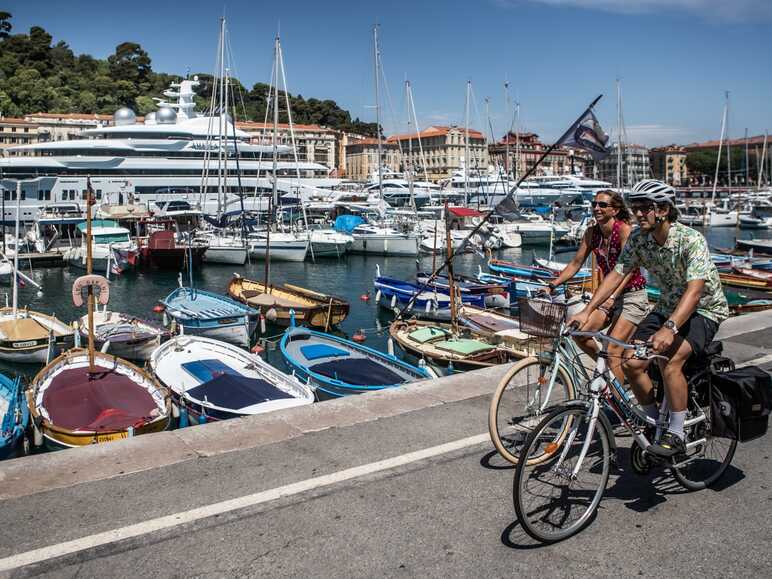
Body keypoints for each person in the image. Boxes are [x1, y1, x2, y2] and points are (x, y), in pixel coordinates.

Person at [568, 179, 729, 458]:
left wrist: (670, 327)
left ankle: (676, 434)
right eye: (635, 207)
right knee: (632, 363)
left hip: (705, 309)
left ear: (664, 210)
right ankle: (654, 424)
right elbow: (616, 274)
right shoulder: (640, 240)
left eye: (645, 207)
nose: (638, 213)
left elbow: (695, 291)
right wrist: (587, 311)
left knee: (670, 360)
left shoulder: (691, 240)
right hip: (668, 306)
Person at [547, 189, 649, 388]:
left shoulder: (623, 229)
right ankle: (612, 373)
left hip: (631, 295)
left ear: (615, 209)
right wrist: (552, 285)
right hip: (607, 295)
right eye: (594, 204)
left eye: (602, 205)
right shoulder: (592, 233)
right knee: (581, 333)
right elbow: (576, 263)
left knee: (611, 349)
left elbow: (629, 267)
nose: (596, 208)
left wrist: (613, 296)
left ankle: (616, 399)